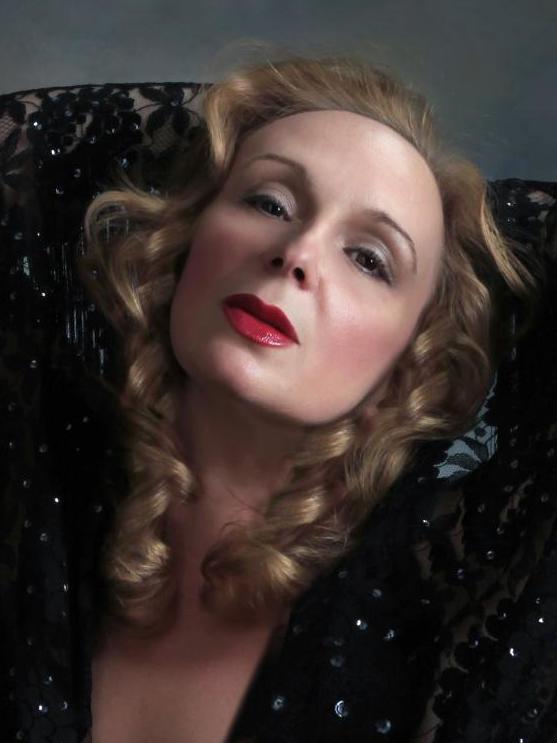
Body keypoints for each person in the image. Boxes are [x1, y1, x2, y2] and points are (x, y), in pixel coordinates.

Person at [2, 51, 547, 743]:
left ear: (413, 359)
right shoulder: (36, 494)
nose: (297, 253)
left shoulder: (444, 625)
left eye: (369, 258)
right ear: (181, 242)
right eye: (269, 203)